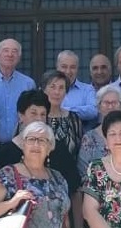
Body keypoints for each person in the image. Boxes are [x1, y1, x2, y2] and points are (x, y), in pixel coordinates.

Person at [0, 122, 71, 228]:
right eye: (31, 139)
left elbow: (64, 218)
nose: (36, 144)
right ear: (23, 145)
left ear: (49, 148)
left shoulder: (58, 178)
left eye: (42, 140)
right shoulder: (8, 174)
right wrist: (11, 203)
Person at [0, 89, 81, 198]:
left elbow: (74, 189)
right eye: (33, 113)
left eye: (43, 114)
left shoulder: (57, 148)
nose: (39, 119)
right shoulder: (6, 152)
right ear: (21, 116)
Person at [41, 70, 85, 228]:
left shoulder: (74, 119)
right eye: (52, 87)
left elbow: (79, 151)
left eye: (61, 88)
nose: (57, 92)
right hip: (40, 184)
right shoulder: (35, 118)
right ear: (44, 89)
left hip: (70, 185)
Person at [77, 85, 121, 179]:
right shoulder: (89, 138)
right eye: (106, 103)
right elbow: (82, 172)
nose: (110, 106)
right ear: (98, 107)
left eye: (114, 103)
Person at [0, 38, 35, 154]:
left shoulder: (28, 84)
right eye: (6, 50)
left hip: (20, 146)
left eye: (14, 51)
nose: (10, 54)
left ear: (19, 57)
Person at [56, 51, 98, 127]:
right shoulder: (48, 90)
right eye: (64, 67)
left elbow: (93, 111)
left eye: (72, 67)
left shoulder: (87, 90)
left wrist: (63, 111)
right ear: (57, 67)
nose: (68, 71)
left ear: (77, 69)